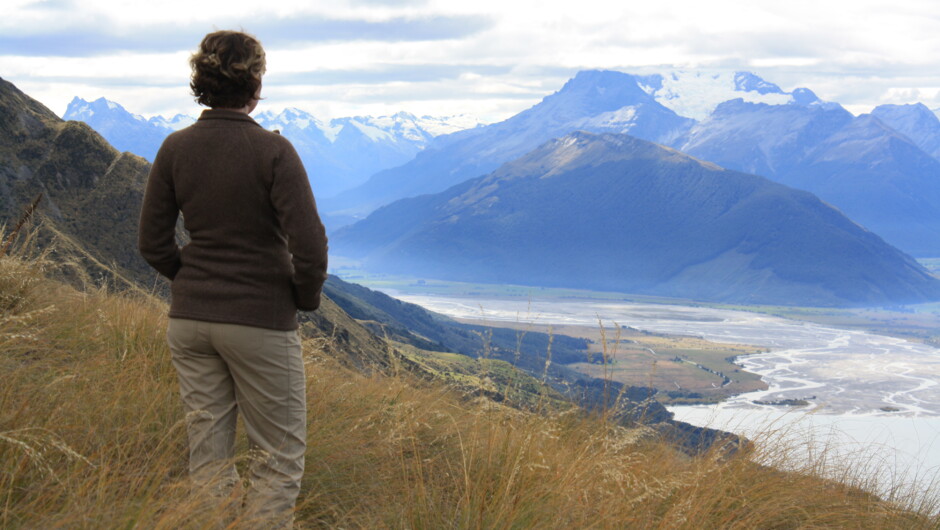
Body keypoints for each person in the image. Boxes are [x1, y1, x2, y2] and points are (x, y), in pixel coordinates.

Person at [138, 30, 328, 526]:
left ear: (201, 81)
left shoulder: (174, 147)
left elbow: (153, 244)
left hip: (191, 321)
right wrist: (303, 299)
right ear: (255, 83)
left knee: (209, 458)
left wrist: (193, 280)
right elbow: (309, 245)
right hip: (260, 320)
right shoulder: (273, 152)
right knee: (278, 459)